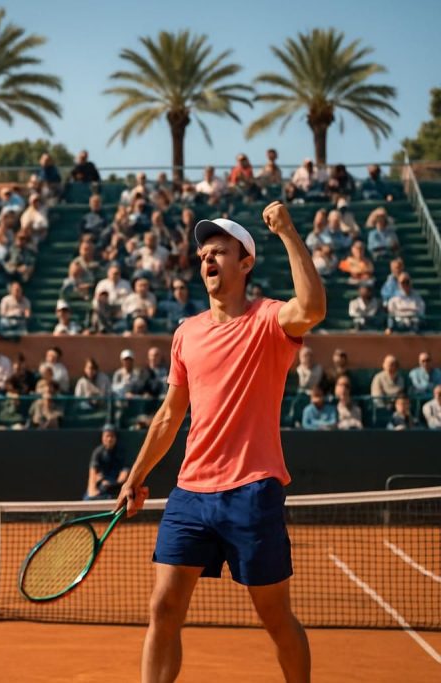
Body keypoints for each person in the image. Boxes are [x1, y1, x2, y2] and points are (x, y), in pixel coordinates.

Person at [117, 202, 324, 682]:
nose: (207, 259)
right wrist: (136, 476)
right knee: (163, 608)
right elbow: (170, 414)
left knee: (275, 617)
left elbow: (312, 307)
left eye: (220, 252)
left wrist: (289, 233)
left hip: (253, 490)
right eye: (203, 253)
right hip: (189, 494)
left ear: (246, 263)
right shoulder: (186, 332)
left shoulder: (270, 320)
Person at [85, 425, 128, 500]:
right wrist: (92, 490)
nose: (109, 439)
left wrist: (113, 483)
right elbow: (93, 472)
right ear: (102, 437)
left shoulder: (122, 452)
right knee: (87, 499)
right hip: (101, 488)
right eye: (107, 436)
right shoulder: (97, 452)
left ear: (115, 438)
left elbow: (124, 474)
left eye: (112, 436)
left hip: (117, 489)